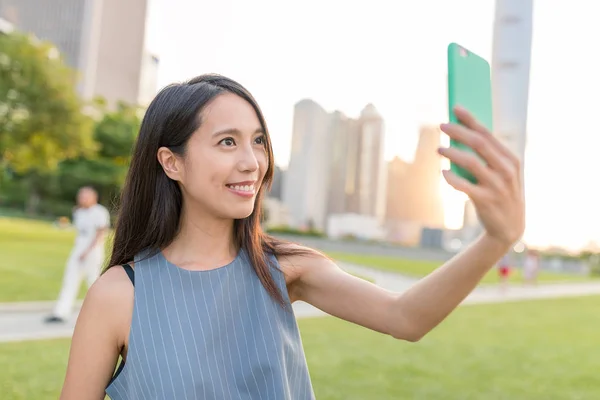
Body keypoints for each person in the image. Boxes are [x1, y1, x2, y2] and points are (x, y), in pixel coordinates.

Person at [59, 74, 524, 399]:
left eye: (258, 140)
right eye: (227, 142)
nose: (252, 162)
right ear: (171, 162)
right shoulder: (119, 294)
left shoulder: (284, 268)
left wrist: (494, 240)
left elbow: (407, 318)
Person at [45, 186, 110, 324]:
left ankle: (104, 312)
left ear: (94, 197)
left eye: (85, 196)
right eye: (81, 196)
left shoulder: (99, 212)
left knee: (94, 281)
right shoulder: (79, 212)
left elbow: (100, 234)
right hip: (78, 249)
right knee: (70, 279)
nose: (82, 199)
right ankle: (61, 312)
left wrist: (87, 252)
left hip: (93, 251)